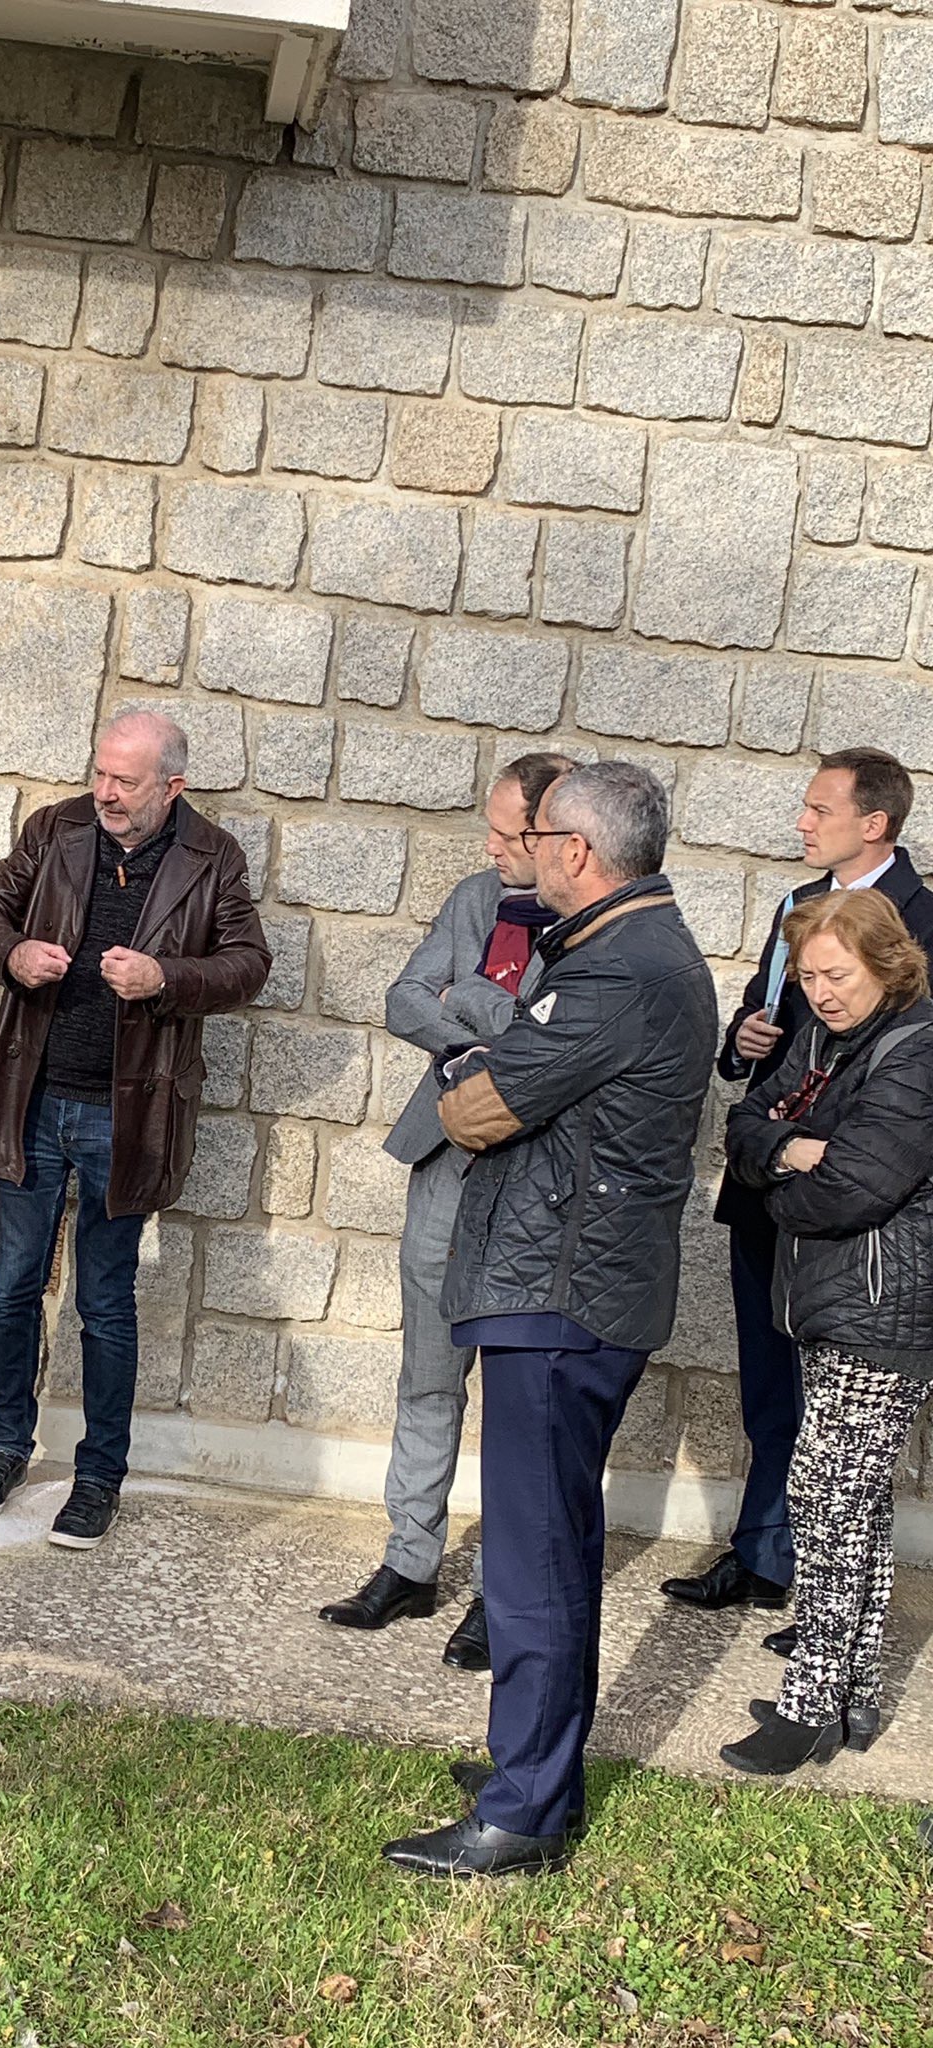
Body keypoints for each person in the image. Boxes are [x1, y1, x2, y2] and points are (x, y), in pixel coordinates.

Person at [381, 763, 717, 1880]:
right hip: (561, 1290)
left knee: (531, 1560)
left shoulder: (621, 965)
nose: (519, 849)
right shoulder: (630, 950)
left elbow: (474, 1108)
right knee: (556, 1547)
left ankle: (521, 1809)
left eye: (535, 832)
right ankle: (541, 1778)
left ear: (579, 849)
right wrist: (499, 1059)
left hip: (558, 1297)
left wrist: (480, 1063)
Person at [0, 709, 271, 1549]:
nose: (105, 793)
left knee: (105, 1301)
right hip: (32, 1097)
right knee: (11, 1286)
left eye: (124, 781)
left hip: (126, 1114)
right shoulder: (54, 828)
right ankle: (3, 1450)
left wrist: (166, 976)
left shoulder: (214, 856)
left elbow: (248, 964)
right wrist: (12, 953)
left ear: (173, 786)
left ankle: (98, 1476)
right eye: (99, 773)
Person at [663, 749, 933, 1651]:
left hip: (864, 1230)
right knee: (771, 1391)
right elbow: (757, 1079)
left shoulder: (924, 924)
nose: (801, 821)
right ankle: (764, 1552)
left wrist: (801, 1144)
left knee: (845, 1432)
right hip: (772, 1195)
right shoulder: (796, 910)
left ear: (875, 824)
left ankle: (832, 1608)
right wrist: (744, 1048)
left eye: (819, 808)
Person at [319, 752, 574, 1667]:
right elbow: (400, 1000)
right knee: (427, 1375)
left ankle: (499, 1597)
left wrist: (462, 999)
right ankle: (409, 1564)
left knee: (515, 1403)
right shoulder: (477, 898)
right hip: (443, 1160)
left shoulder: (595, 923)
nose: (493, 846)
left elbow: (548, 1040)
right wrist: (487, 1006)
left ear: (558, 837)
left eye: (510, 833)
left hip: (531, 1182)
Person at [719, 891, 933, 1775]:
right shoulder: (822, 1036)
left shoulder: (917, 1050)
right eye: (808, 975)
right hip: (830, 1299)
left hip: (880, 1309)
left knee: (829, 1500)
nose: (822, 991)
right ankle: (849, 1696)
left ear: (887, 961)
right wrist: (786, 1147)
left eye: (837, 974)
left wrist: (784, 1166)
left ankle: (812, 1707)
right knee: (845, 1505)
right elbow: (743, 1122)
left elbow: (852, 1188)